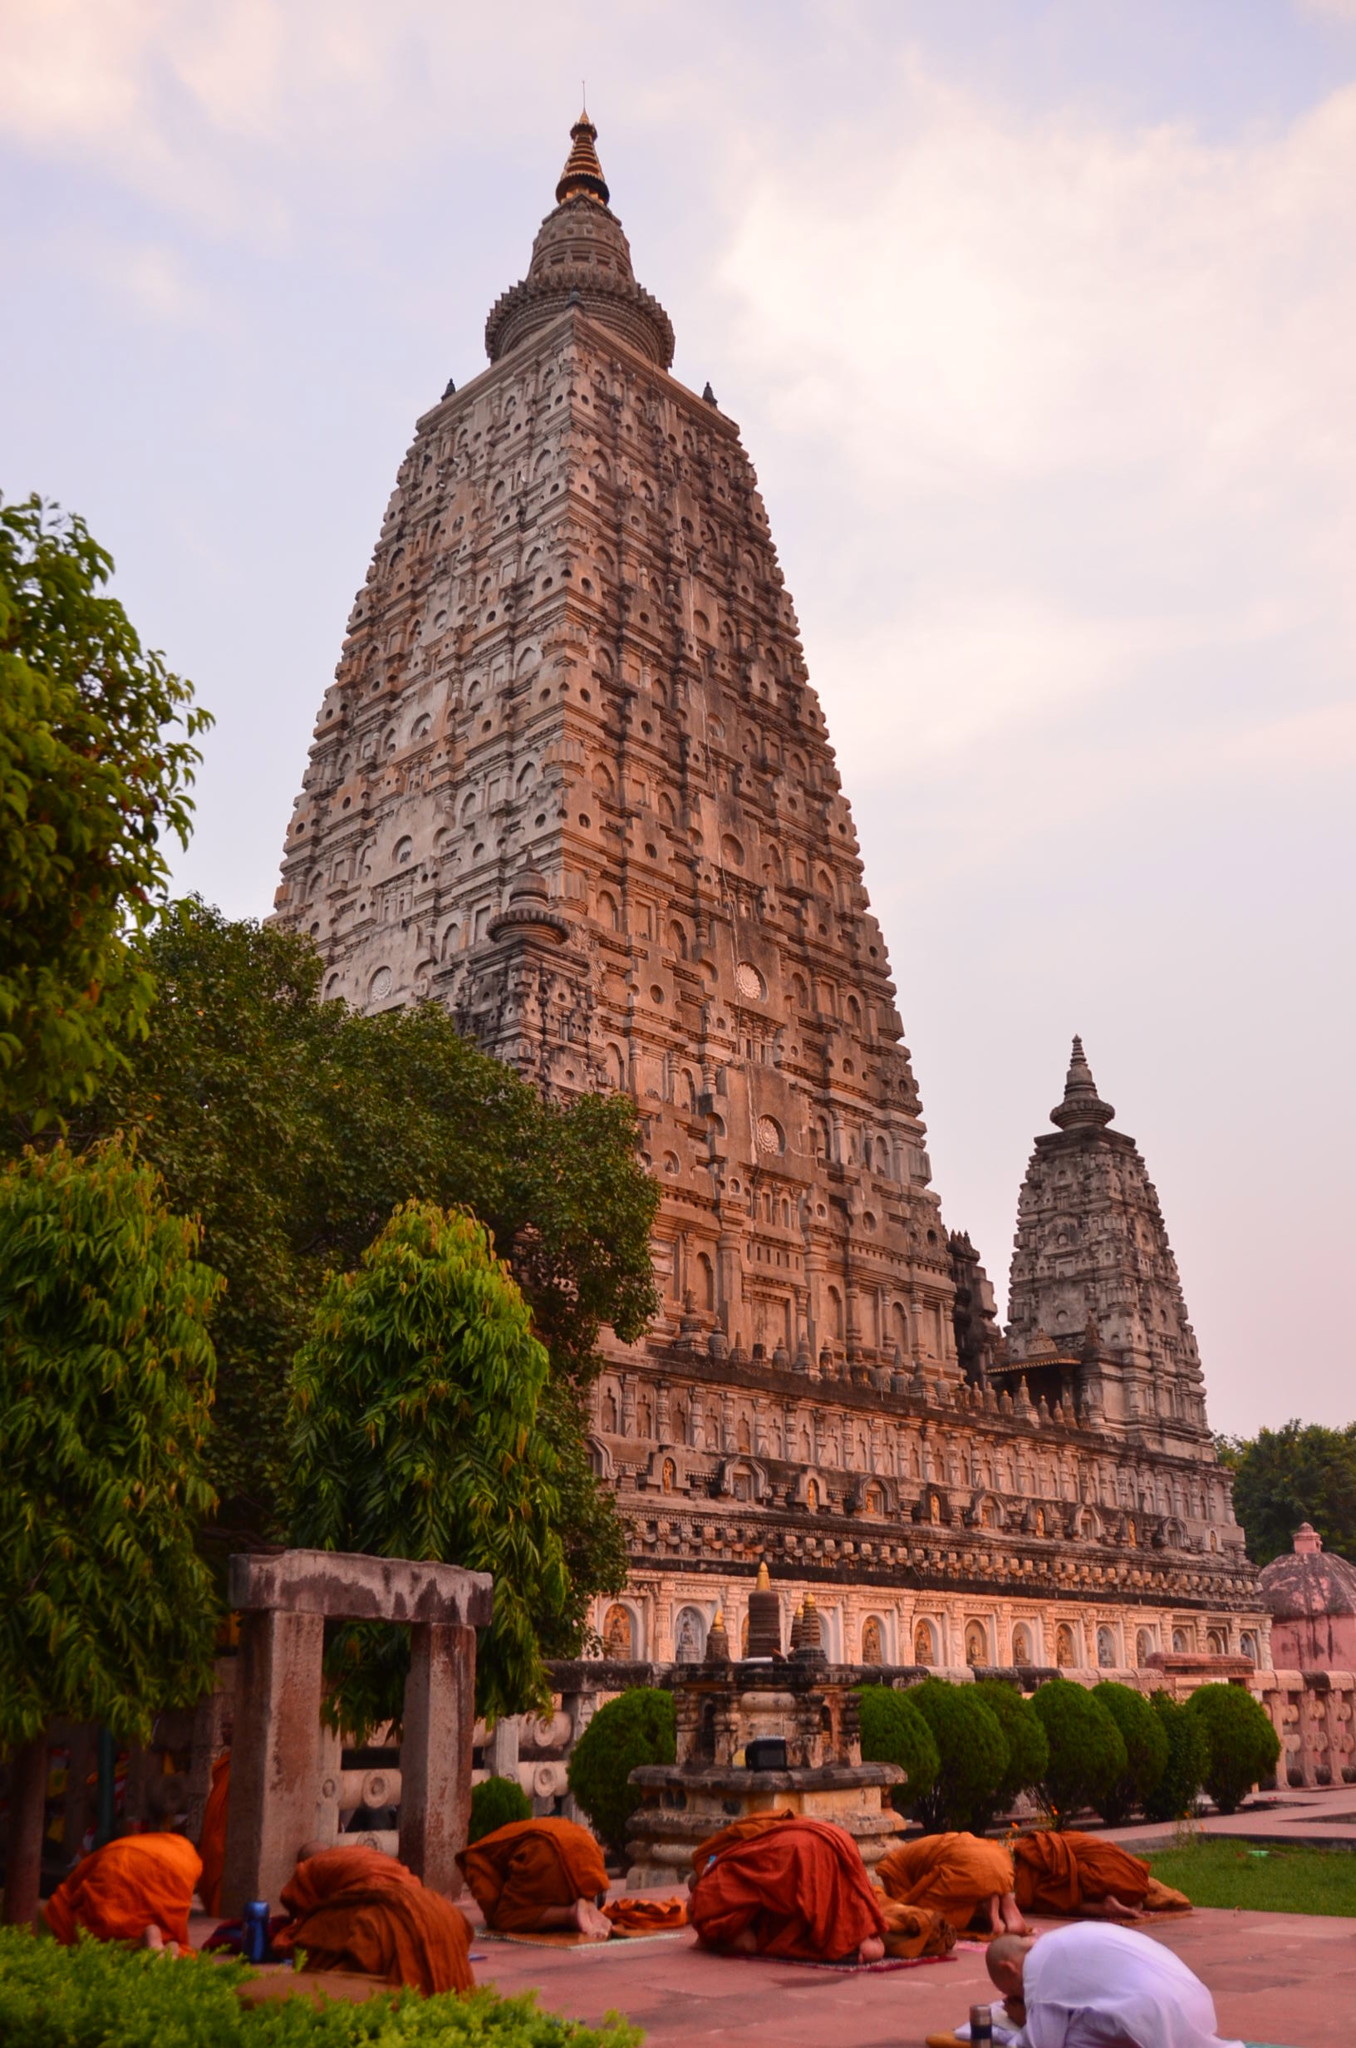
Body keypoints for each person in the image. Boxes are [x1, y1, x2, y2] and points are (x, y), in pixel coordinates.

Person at [985, 1922, 1242, 2048]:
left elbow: (1041, 2043)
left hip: (1157, 2017)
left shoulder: (1039, 1967)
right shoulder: (1057, 1942)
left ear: (1009, 1968)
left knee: (1071, 2039)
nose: (1019, 1996)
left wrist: (1023, 2023)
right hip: (1193, 2006)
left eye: (1011, 1991)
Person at [270, 1841, 473, 1995]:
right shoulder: (365, 1853)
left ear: (304, 1861)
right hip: (436, 1908)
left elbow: (298, 1905)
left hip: (385, 1911)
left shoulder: (309, 1871)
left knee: (316, 1936)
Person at [688, 1813, 888, 1964]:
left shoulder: (709, 1894)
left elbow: (746, 1943)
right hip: (831, 1834)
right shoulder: (730, 1854)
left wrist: (709, 1943)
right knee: (839, 1894)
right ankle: (860, 1935)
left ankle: (849, 1941)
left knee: (825, 1900)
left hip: (799, 1850)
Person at [44, 1827, 201, 1954]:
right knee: (171, 1935)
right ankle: (164, 1948)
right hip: (171, 1866)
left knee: (94, 1934)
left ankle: (134, 1945)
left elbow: (71, 1893)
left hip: (115, 1864)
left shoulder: (178, 1846)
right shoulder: (186, 1852)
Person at [456, 1815, 612, 1938]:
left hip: (544, 1853)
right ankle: (587, 1902)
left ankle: (570, 1913)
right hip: (587, 1848)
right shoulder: (511, 1833)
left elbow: (494, 1914)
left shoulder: (472, 1857)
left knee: (505, 1917)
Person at [876, 1830, 1029, 1937]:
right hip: (999, 1860)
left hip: (967, 1865)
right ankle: (997, 1894)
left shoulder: (891, 1869)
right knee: (964, 1894)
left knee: (926, 1916)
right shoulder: (913, 1852)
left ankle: (989, 1900)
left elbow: (908, 1901)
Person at [1010, 1831, 1190, 1922]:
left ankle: (1103, 1909)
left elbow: (1024, 1901)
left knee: (1044, 1899)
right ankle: (1131, 1903)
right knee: (1065, 1884)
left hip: (1110, 1879)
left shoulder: (1028, 1855)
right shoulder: (1053, 1841)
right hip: (1131, 1876)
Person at [196, 1750, 230, 1917]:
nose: (225, 1732)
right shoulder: (225, 1763)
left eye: (230, 1728)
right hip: (213, 1834)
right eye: (223, 1726)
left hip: (225, 1838)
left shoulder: (240, 1763)